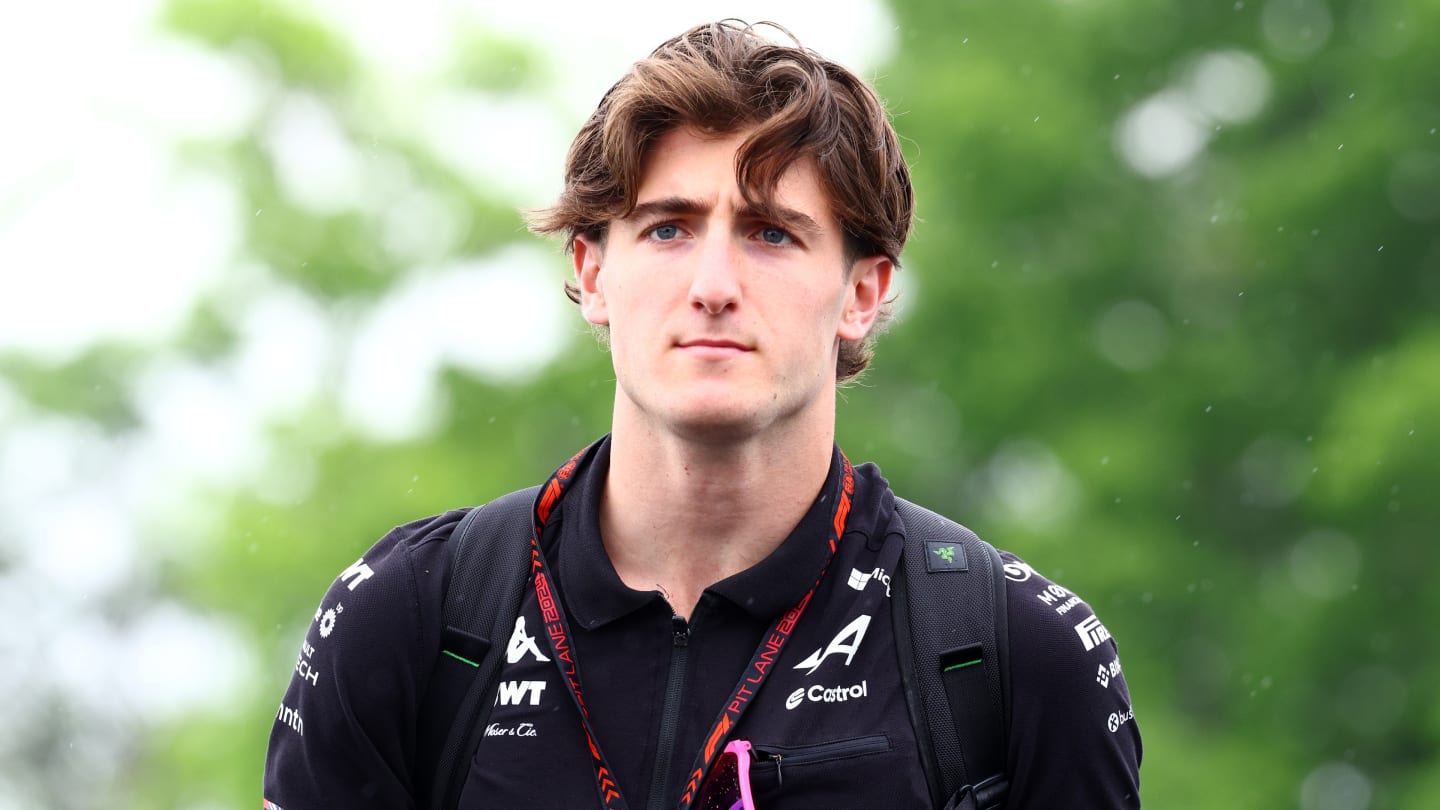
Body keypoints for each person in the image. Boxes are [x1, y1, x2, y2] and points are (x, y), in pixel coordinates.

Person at [263, 20, 1141, 809]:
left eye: (771, 234)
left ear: (861, 292)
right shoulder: (413, 620)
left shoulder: (1013, 653)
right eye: (668, 229)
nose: (713, 287)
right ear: (596, 272)